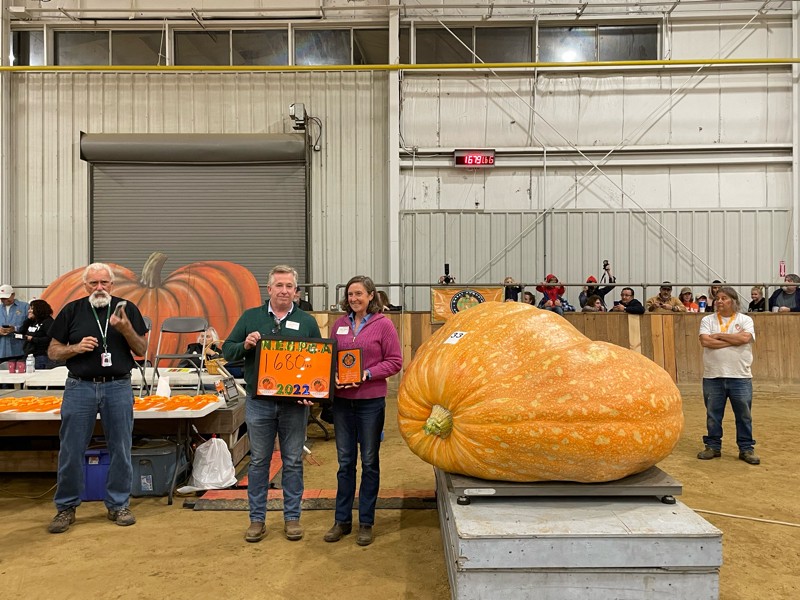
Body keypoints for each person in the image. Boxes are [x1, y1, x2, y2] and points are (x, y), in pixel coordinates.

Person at [46, 263, 148, 533]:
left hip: (118, 386)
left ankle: (118, 504)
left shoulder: (126, 309)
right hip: (80, 387)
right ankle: (66, 507)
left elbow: (142, 349)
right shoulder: (72, 310)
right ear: (85, 286)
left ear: (112, 285)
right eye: (93, 283)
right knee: (71, 450)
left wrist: (126, 329)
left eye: (104, 283)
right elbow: (53, 352)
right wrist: (75, 348)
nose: (99, 288)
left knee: (121, 448)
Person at [222, 265, 321, 544]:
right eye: (279, 285)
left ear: (296, 291)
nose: (284, 291)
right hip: (259, 403)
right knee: (258, 462)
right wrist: (245, 345)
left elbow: (318, 361)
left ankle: (292, 518)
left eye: (289, 286)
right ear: (269, 289)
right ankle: (257, 519)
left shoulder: (306, 322)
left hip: (294, 405)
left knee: (292, 461)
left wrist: (313, 394)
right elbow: (227, 350)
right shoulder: (250, 317)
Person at [325, 276, 402, 547]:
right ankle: (342, 520)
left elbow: (395, 361)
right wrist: (333, 375)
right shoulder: (339, 325)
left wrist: (367, 373)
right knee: (345, 463)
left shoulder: (384, 325)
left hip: (370, 402)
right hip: (343, 402)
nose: (354, 298)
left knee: (369, 462)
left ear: (371, 296)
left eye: (359, 294)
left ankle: (366, 522)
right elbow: (329, 359)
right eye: (350, 294)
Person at [697, 286, 759, 465]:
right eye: (717, 298)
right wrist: (733, 340)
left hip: (740, 376)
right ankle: (713, 446)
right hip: (713, 376)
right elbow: (705, 341)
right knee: (713, 415)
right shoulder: (707, 320)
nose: (719, 301)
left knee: (744, 415)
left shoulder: (745, 319)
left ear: (733, 301)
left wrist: (718, 336)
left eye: (724, 298)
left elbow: (745, 339)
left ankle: (746, 448)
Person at [19, 299, 58, 370]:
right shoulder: (31, 321)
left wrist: (33, 339)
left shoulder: (48, 322)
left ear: (39, 309)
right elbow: (21, 331)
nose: (29, 311)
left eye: (32, 309)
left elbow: (51, 338)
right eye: (29, 309)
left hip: (42, 355)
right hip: (28, 355)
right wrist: (28, 320)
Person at [0, 284, 30, 372]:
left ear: (13, 295)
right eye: (2, 298)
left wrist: (15, 329)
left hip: (20, 350)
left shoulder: (25, 307)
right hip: (1, 350)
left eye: (6, 298)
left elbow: (31, 326)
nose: (4, 300)